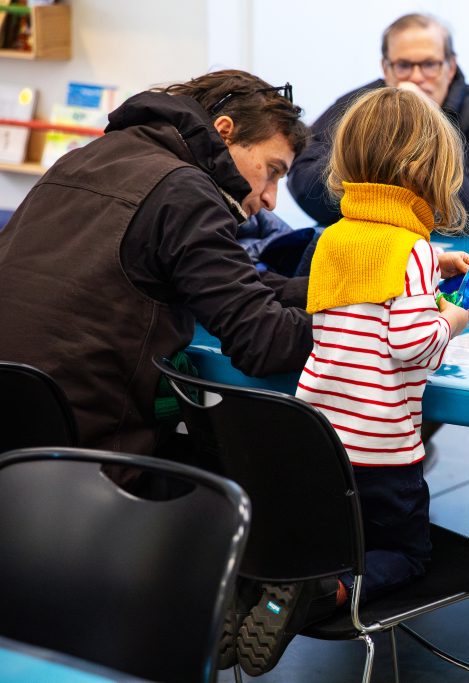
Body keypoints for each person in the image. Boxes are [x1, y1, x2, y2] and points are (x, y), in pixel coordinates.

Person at [232, 86, 469, 676]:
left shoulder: (335, 240)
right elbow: (412, 347)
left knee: (337, 535)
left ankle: (259, 588)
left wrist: (424, 270)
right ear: (425, 169)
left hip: (319, 442)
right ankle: (325, 592)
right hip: (381, 452)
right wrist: (451, 318)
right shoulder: (411, 249)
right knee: (407, 554)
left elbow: (353, 305)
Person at [0, 69, 313, 459]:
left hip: (18, 439)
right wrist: (360, 323)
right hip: (88, 462)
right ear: (225, 130)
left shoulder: (85, 158)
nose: (270, 199)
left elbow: (230, 278)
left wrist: (325, 292)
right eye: (271, 171)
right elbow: (264, 342)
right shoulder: (184, 191)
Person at [288, 12, 469, 235]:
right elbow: (304, 181)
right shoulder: (358, 107)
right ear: (386, 69)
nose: (416, 77)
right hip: (368, 240)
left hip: (460, 246)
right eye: (404, 65)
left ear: (451, 66)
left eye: (429, 64)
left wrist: (426, 122)